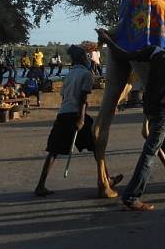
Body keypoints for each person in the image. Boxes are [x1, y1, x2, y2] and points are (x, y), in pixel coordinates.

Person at [97, 28, 165, 211]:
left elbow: (125, 55)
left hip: (149, 109)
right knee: (149, 154)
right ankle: (132, 196)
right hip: (161, 113)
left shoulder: (154, 51)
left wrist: (108, 41)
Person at [35, 45, 122, 196]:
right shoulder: (86, 74)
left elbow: (64, 96)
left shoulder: (68, 75)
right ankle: (106, 180)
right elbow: (83, 97)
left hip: (63, 114)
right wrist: (81, 118)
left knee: (53, 151)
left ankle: (40, 185)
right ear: (83, 58)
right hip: (76, 115)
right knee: (97, 147)